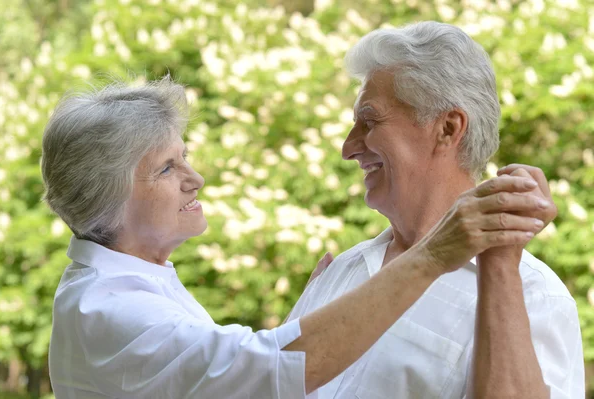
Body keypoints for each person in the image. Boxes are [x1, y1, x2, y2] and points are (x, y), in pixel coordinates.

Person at [42, 77, 553, 399]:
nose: (194, 179)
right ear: (107, 195)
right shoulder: (107, 310)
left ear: (448, 129)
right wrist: (436, 253)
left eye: (185, 156)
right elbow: (261, 369)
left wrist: (303, 322)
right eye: (167, 167)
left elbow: (228, 377)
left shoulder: (535, 295)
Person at [287, 21, 584, 398]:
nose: (348, 148)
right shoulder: (341, 270)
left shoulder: (533, 294)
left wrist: (498, 265)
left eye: (370, 121)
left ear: (448, 127)